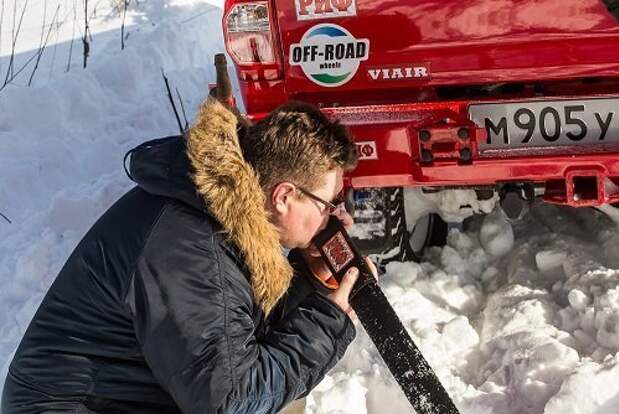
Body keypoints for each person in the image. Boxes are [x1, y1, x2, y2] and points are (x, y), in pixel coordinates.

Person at [1, 97, 365, 413]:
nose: (335, 214)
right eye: (327, 202)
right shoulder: (189, 247)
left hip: (128, 398)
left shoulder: (225, 215)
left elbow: (233, 332)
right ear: (284, 196)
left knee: (281, 401)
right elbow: (229, 401)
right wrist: (325, 324)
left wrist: (308, 279)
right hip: (70, 407)